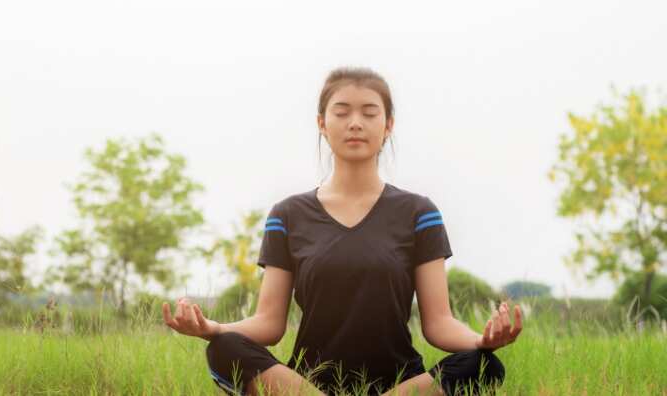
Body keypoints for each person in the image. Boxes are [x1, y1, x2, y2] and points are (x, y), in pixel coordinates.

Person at [162, 66, 523, 396]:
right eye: (341, 112)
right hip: (308, 385)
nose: (355, 123)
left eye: (369, 113)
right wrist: (211, 328)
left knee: (482, 365)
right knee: (224, 349)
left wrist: (483, 340)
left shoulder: (419, 213)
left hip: (399, 385)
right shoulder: (287, 215)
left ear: (388, 125)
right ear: (322, 122)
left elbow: (439, 323)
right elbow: (269, 324)